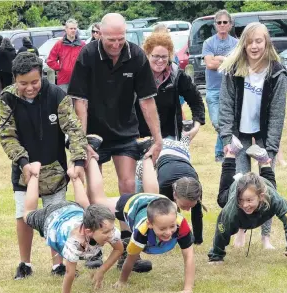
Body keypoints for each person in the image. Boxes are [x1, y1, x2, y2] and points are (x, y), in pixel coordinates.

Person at [69, 12, 162, 270]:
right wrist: (82, 142)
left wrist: (157, 138)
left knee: (128, 184)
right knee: (94, 191)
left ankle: (128, 246)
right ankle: (95, 246)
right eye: (111, 39)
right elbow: (80, 102)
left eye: (121, 39)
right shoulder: (87, 55)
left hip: (124, 130)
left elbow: (146, 100)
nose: (116, 44)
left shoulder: (136, 55)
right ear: (99, 33)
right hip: (94, 133)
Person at [0, 52, 87, 279]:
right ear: (14, 79)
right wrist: (24, 162)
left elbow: (74, 130)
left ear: (43, 75)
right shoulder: (7, 98)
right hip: (24, 170)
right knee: (23, 216)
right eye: (23, 83)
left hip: (55, 168)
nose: (29, 88)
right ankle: (24, 263)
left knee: (56, 216)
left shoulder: (57, 94)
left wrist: (78, 161)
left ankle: (58, 264)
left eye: (34, 82)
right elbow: (7, 136)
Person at [218, 22, 287, 249]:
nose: (254, 46)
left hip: (263, 137)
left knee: (266, 186)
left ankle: (265, 236)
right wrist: (227, 138)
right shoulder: (233, 69)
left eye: (259, 41)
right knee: (239, 185)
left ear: (266, 43)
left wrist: (272, 147)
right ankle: (239, 230)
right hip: (239, 135)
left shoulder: (277, 72)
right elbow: (226, 105)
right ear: (243, 43)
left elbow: (278, 113)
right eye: (250, 41)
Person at [85, 155, 195, 293]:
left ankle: (146, 154)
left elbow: (189, 255)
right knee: (98, 201)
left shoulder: (179, 223)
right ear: (150, 224)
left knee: (153, 194)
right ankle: (94, 158)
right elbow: (130, 259)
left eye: (172, 227)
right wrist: (122, 281)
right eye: (162, 228)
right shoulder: (141, 231)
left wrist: (188, 289)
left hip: (158, 200)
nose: (168, 232)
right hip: (133, 203)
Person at [23, 156, 123, 293]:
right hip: (52, 218)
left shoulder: (107, 228)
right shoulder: (74, 243)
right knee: (27, 214)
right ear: (88, 231)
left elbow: (119, 249)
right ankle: (35, 174)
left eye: (111, 230)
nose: (111, 234)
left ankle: (74, 177)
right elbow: (69, 274)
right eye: (106, 232)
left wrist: (101, 271)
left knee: (87, 209)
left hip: (73, 210)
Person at [208, 135, 287, 263]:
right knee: (222, 199)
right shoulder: (232, 207)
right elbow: (222, 229)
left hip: (264, 187)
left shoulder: (273, 199)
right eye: (241, 200)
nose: (245, 205)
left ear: (261, 196)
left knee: (272, 188)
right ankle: (231, 153)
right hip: (238, 185)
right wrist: (216, 256)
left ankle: (264, 161)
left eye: (249, 200)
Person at [135, 134, 205, 245]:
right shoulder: (163, 187)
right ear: (174, 195)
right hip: (156, 153)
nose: (187, 210)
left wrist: (198, 240)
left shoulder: (195, 189)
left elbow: (197, 214)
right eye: (184, 206)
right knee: (143, 198)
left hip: (179, 150)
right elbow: (156, 213)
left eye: (190, 206)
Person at [136, 32, 205, 140]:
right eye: (156, 56)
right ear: (147, 54)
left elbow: (196, 100)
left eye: (164, 56)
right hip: (140, 136)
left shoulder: (176, 74)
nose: (160, 60)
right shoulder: (136, 74)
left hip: (169, 135)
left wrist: (196, 126)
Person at [202, 9, 238, 163]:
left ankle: (220, 153)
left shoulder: (236, 43)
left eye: (225, 22)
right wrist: (227, 60)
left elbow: (236, 64)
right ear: (215, 25)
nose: (222, 25)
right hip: (213, 88)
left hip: (230, 88)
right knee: (218, 123)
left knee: (227, 122)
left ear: (230, 25)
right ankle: (222, 150)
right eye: (219, 22)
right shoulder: (209, 43)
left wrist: (219, 58)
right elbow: (210, 64)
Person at [47, 18, 85, 92]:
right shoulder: (59, 44)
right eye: (71, 28)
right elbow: (50, 60)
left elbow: (87, 60)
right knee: (64, 102)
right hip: (63, 80)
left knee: (78, 102)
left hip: (79, 80)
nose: (73, 30)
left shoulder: (82, 45)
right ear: (66, 29)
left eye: (75, 28)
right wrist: (60, 67)